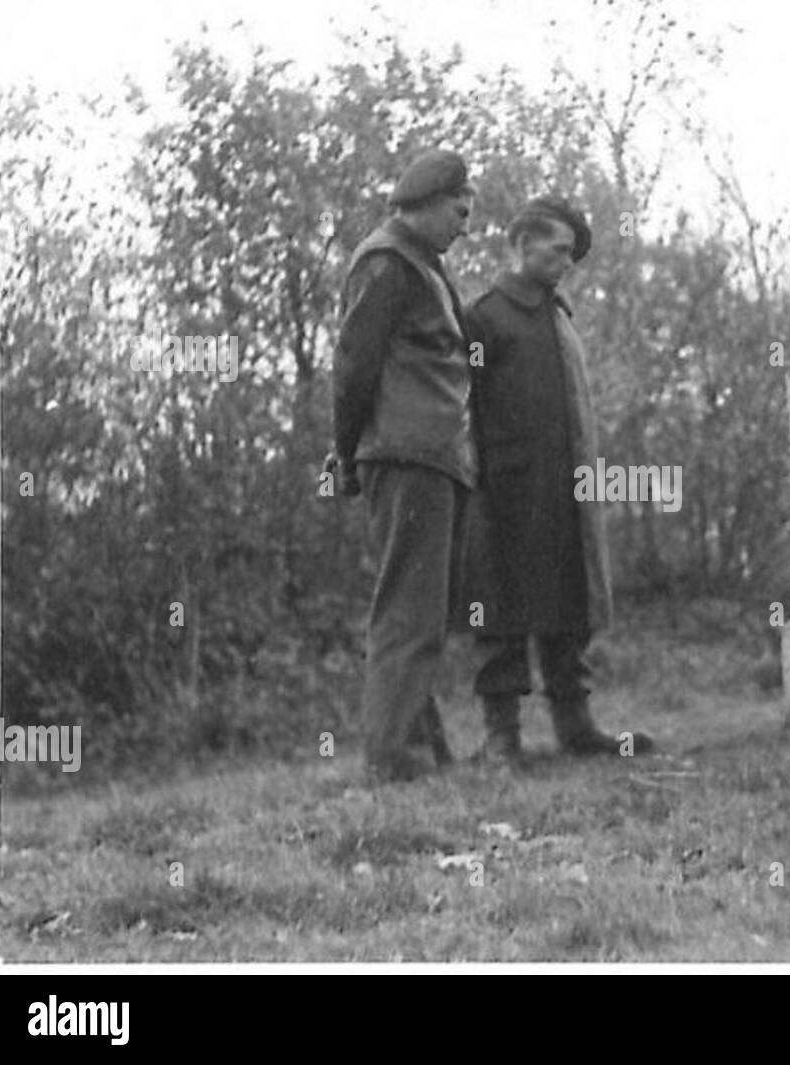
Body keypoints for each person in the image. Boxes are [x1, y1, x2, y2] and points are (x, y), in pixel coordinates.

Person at [461, 195, 654, 761]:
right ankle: (502, 737)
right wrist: (482, 478)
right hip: (504, 492)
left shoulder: (558, 317)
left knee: (569, 607)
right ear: (521, 245)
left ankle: (576, 726)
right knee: (501, 613)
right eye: (557, 249)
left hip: (567, 490)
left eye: (571, 254)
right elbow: (461, 404)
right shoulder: (483, 318)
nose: (566, 261)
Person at [331, 148, 476, 782]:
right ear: (423, 203)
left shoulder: (420, 265)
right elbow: (352, 367)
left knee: (421, 611)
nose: (464, 224)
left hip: (431, 455)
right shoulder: (387, 263)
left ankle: (425, 751)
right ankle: (393, 761)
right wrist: (345, 454)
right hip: (406, 453)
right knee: (407, 613)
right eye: (457, 210)